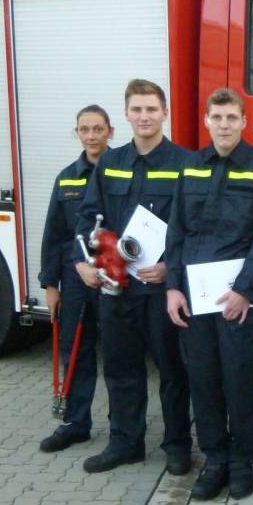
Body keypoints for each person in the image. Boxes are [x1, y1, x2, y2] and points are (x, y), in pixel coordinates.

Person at [165, 89, 253, 500]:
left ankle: (242, 462)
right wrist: (173, 287)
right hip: (195, 298)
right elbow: (176, 230)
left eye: (232, 117)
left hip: (238, 299)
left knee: (239, 380)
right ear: (207, 120)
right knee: (204, 380)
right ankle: (214, 460)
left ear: (244, 122)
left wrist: (245, 292)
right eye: (218, 117)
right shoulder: (191, 168)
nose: (225, 124)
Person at [76, 79, 192, 475]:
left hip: (160, 290)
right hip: (118, 288)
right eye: (136, 110)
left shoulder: (185, 164)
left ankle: (177, 445)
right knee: (121, 369)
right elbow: (90, 216)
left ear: (165, 113)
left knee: (173, 371)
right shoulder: (111, 163)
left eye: (151, 109)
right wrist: (89, 261)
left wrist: (170, 268)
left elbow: (193, 227)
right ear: (125, 115)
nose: (144, 116)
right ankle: (125, 443)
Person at [37, 105, 114, 453]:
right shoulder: (66, 177)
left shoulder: (123, 171)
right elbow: (54, 235)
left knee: (118, 354)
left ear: (110, 132)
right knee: (76, 352)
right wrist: (51, 286)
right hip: (74, 276)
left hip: (115, 275)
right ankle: (75, 423)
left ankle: (124, 427)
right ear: (77, 133)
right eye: (85, 129)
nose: (92, 135)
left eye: (98, 129)